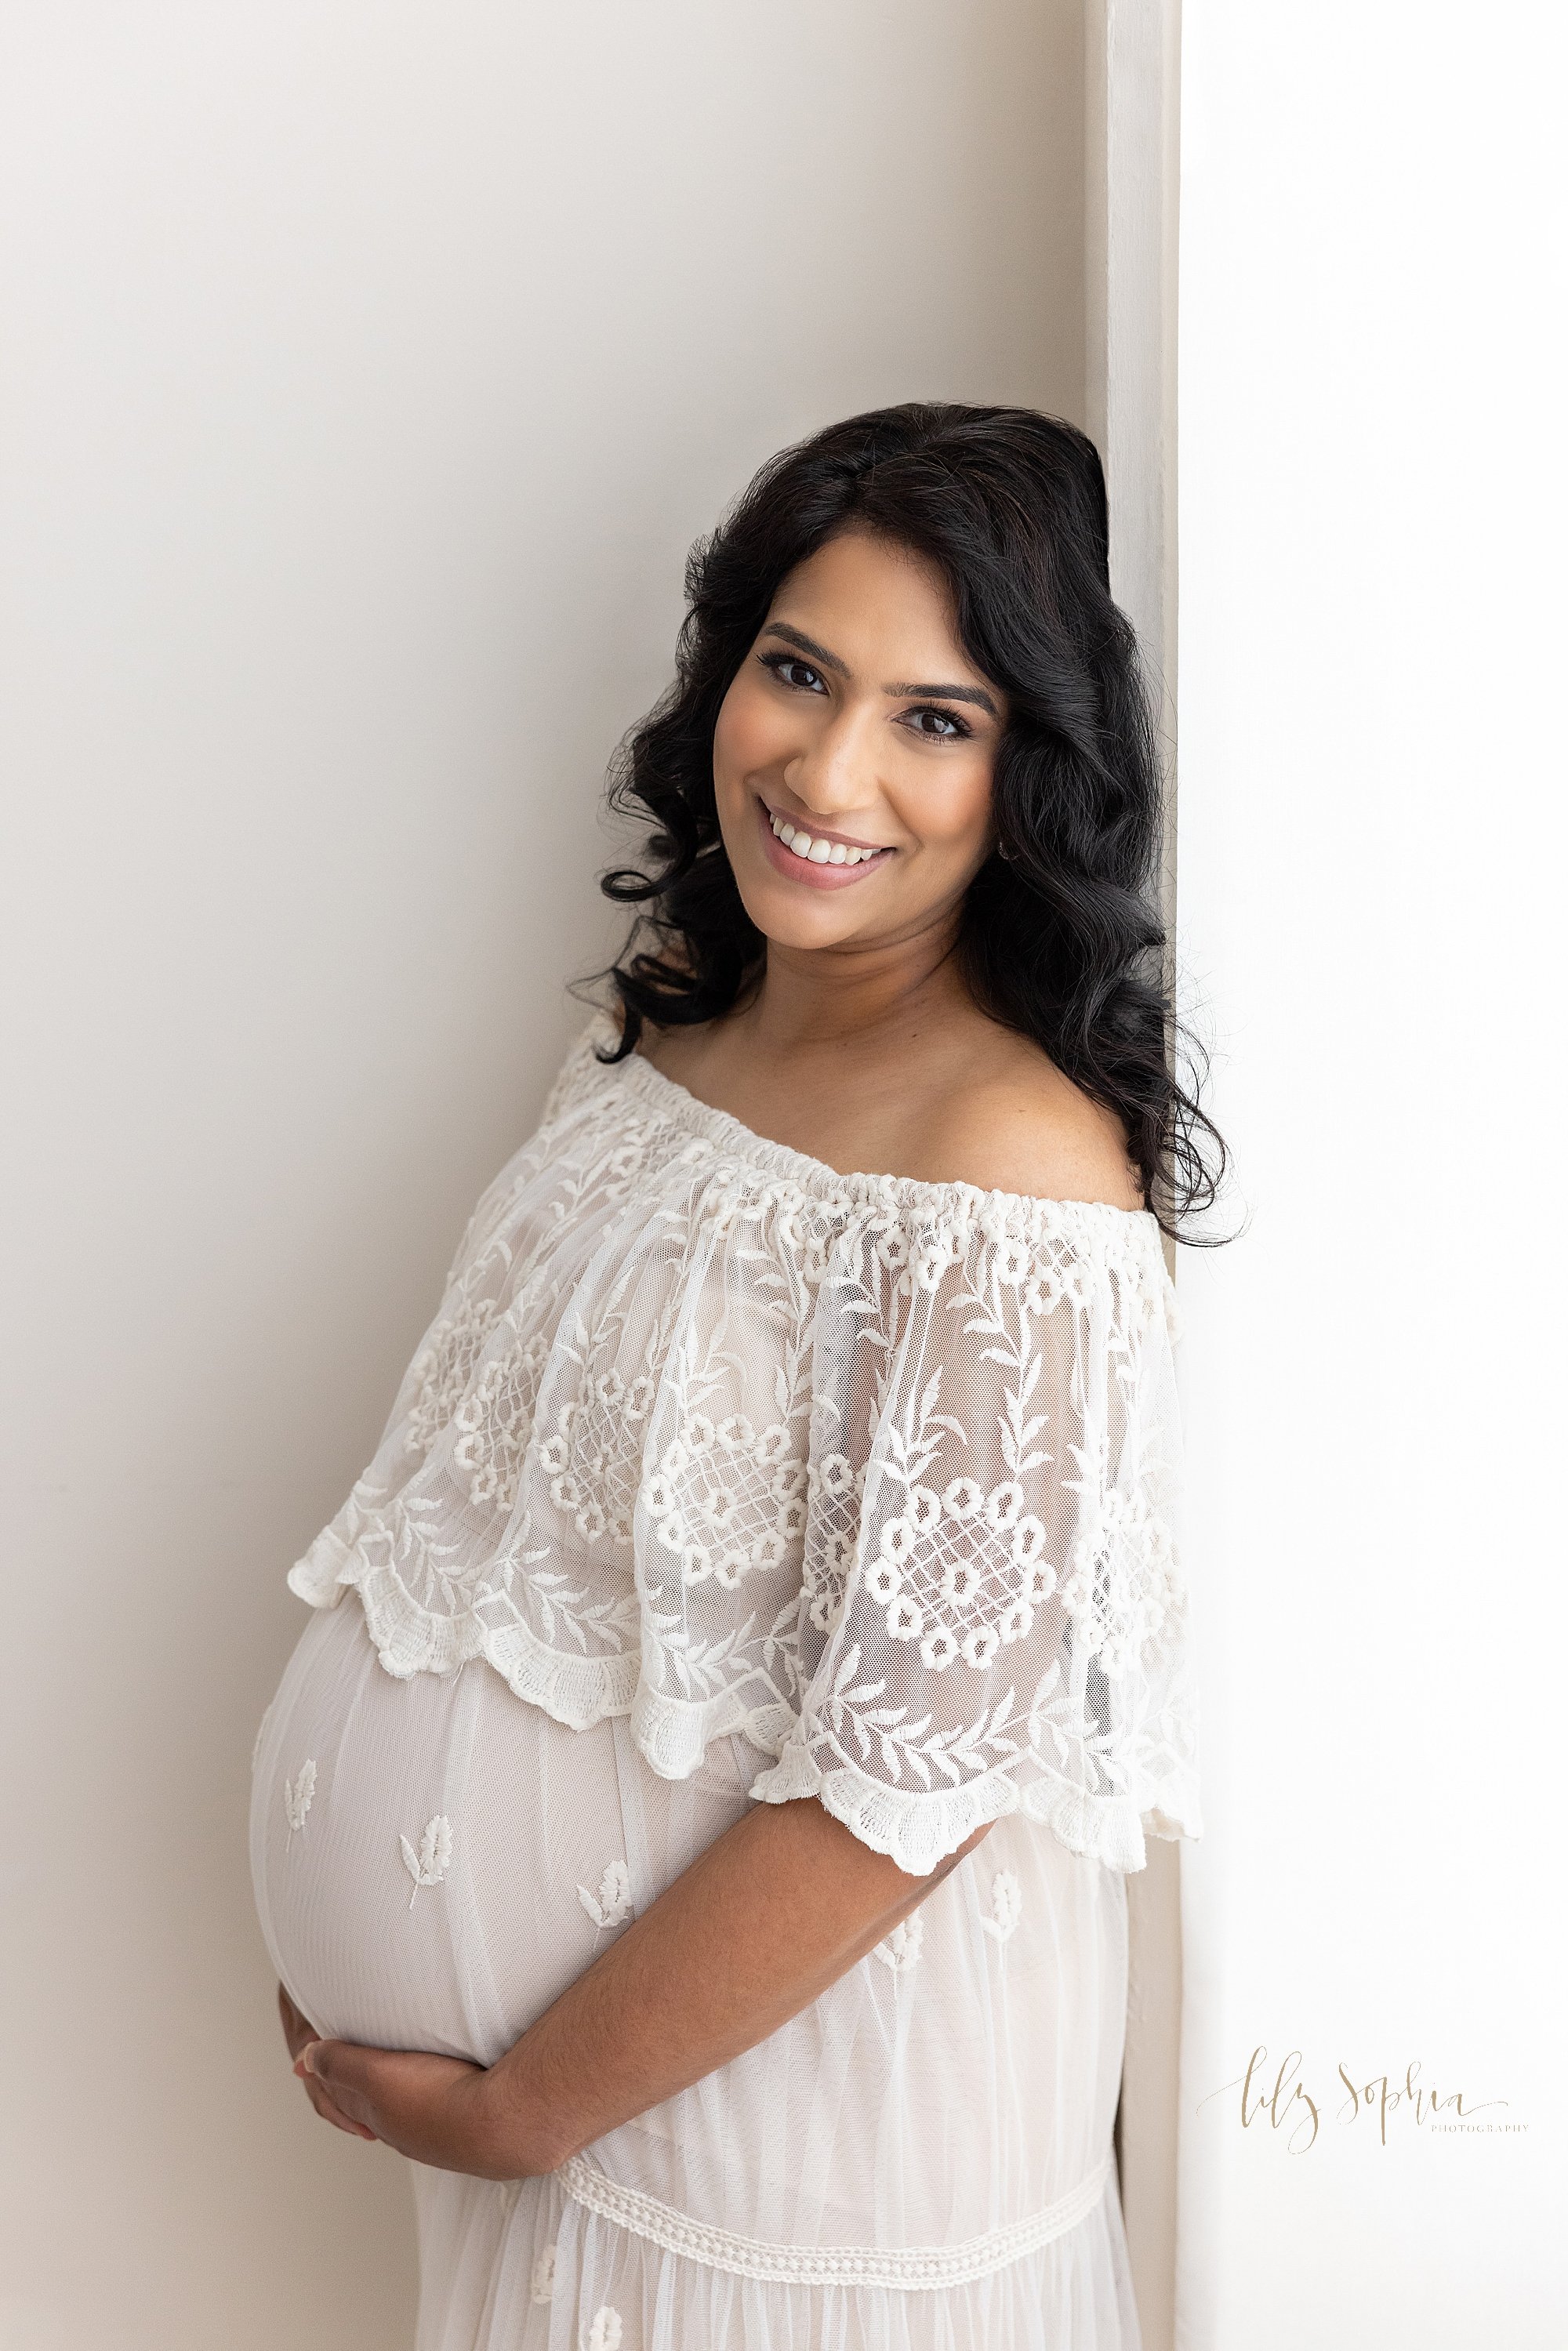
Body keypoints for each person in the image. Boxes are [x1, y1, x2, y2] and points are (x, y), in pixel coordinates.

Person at [249, 401, 1219, 2350]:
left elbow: (906, 1775)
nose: (828, 766)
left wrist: (525, 2104)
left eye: (933, 720)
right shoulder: (677, 1026)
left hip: (788, 2157)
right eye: (796, 670)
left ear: (1034, 774)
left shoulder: (1005, 1169)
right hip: (602, 2136)